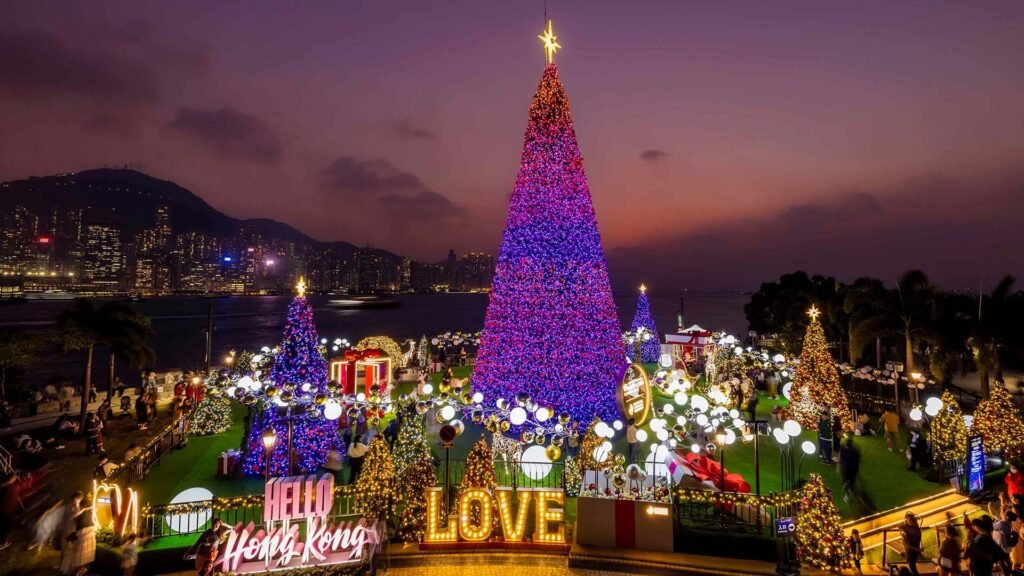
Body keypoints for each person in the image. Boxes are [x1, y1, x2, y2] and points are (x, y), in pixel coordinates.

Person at [62, 495, 95, 576]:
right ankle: (80, 569)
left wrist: (89, 508)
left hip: (87, 530)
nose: (74, 501)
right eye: (73, 500)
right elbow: (74, 516)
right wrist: (84, 509)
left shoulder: (87, 509)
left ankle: (82, 569)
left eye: (75, 499)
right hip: (81, 531)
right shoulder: (77, 509)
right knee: (80, 551)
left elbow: (94, 509)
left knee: (84, 551)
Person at [839, 437, 861, 502]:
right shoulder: (855, 450)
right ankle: (849, 492)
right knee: (850, 482)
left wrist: (839, 466)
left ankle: (847, 495)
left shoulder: (844, 449)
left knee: (846, 483)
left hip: (848, 469)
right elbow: (858, 461)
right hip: (852, 469)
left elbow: (841, 458)